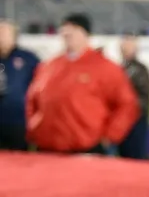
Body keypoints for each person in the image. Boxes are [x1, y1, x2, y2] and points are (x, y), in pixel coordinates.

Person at [25, 14, 140, 154]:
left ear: (85, 33)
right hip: (48, 147)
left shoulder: (105, 67)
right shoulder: (48, 66)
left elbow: (126, 104)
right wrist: (34, 128)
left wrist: (110, 136)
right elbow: (32, 100)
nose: (67, 33)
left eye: (73, 28)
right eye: (65, 29)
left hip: (87, 147)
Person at [0, 20, 40, 151]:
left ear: (14, 36)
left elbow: (40, 86)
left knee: (19, 163)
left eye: (5, 33)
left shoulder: (28, 59)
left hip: (19, 122)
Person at [118, 33, 149, 159]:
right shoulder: (119, 68)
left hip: (136, 122)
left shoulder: (141, 70)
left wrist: (127, 106)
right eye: (124, 45)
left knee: (136, 158)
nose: (125, 48)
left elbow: (144, 97)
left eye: (129, 45)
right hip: (120, 122)